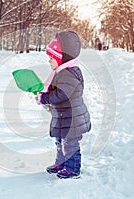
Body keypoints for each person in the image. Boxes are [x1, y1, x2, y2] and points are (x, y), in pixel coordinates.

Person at [37, 30, 91, 179]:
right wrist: (43, 96)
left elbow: (61, 94)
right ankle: (61, 164)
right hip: (64, 116)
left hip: (73, 118)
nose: (49, 61)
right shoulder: (61, 72)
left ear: (61, 58)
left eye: (52, 58)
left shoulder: (69, 73)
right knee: (60, 142)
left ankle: (73, 169)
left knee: (70, 145)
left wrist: (46, 98)